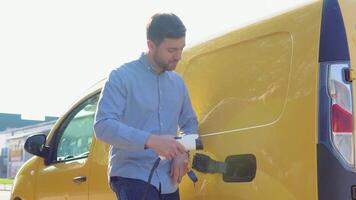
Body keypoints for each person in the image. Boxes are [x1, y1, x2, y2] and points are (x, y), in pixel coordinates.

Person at [94, 13, 198, 200]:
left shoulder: (178, 83)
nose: (179, 56)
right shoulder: (121, 77)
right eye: (172, 50)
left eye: (181, 48)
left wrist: (183, 152)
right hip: (132, 176)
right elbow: (103, 126)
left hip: (169, 181)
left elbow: (190, 123)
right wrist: (151, 140)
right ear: (151, 45)